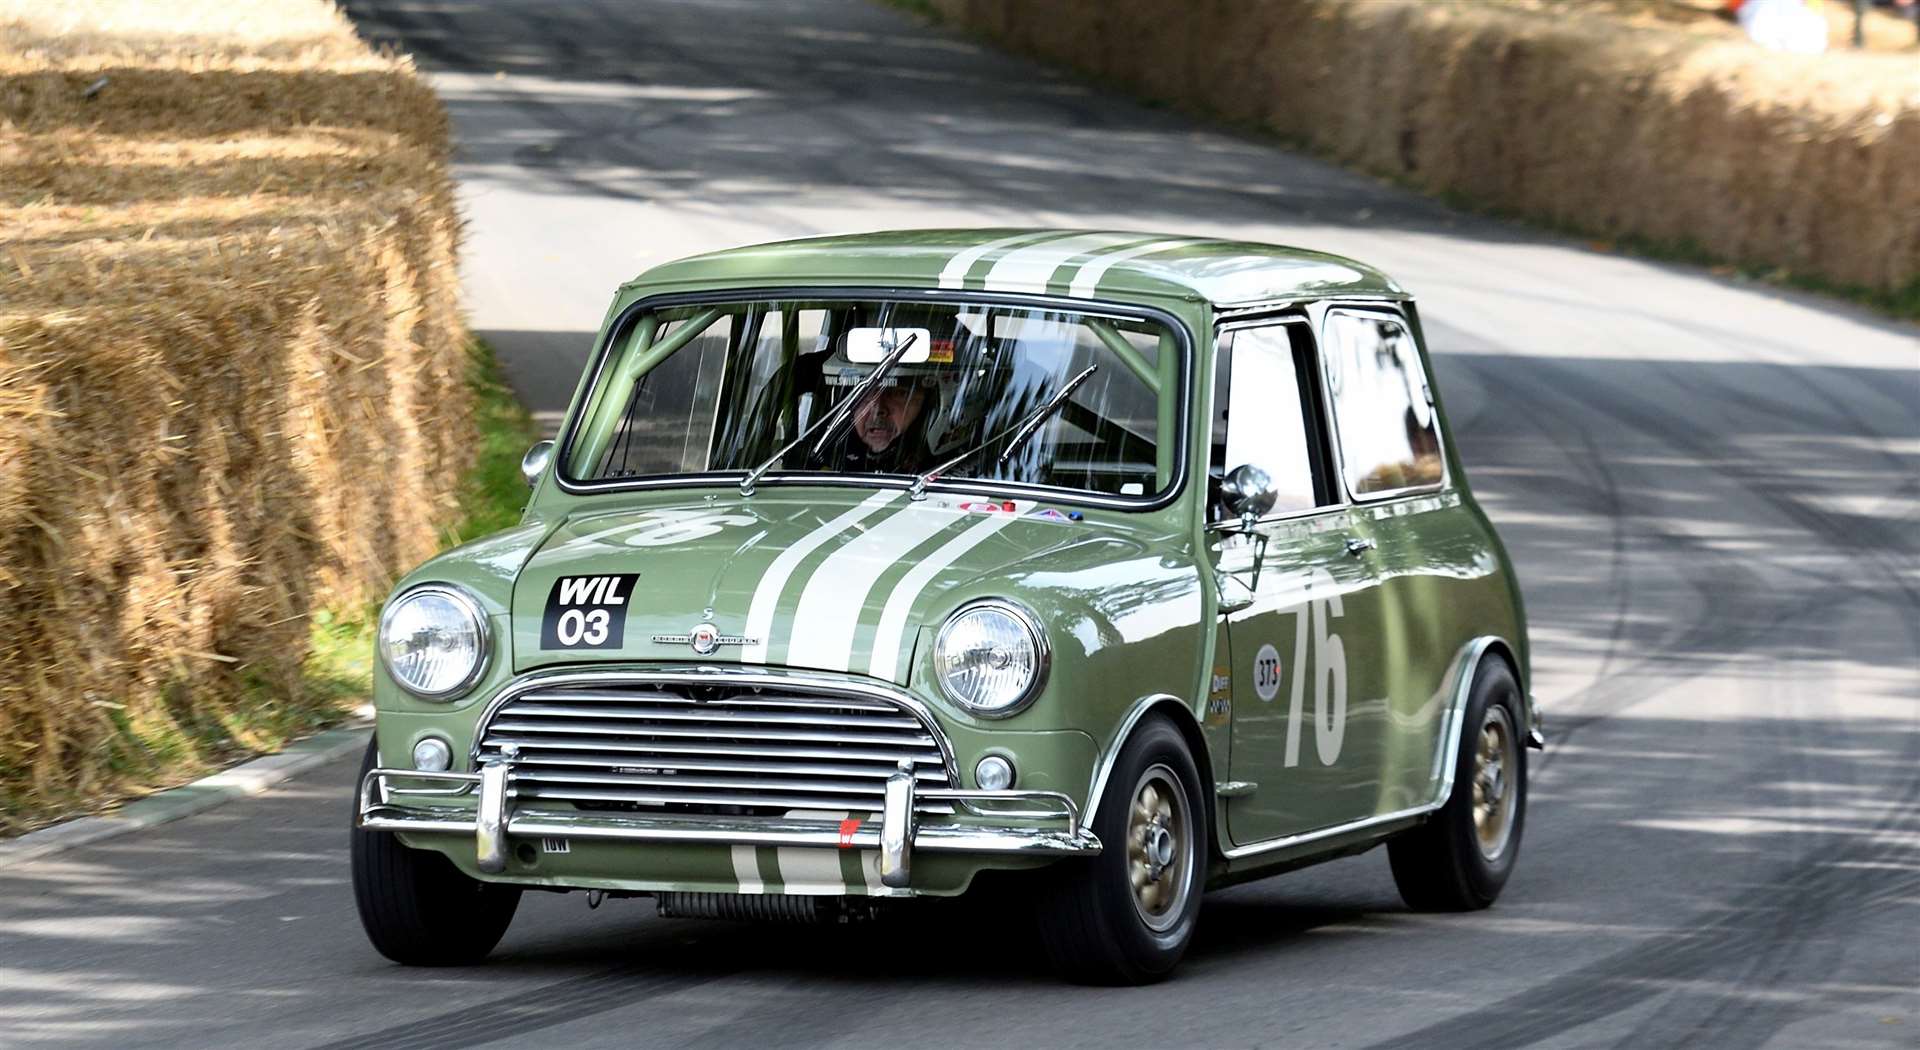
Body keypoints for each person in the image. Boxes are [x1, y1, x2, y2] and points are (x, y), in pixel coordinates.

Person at [816, 379, 934, 474]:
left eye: (900, 393)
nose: (878, 409)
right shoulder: (820, 454)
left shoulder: (943, 465)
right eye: (864, 393)